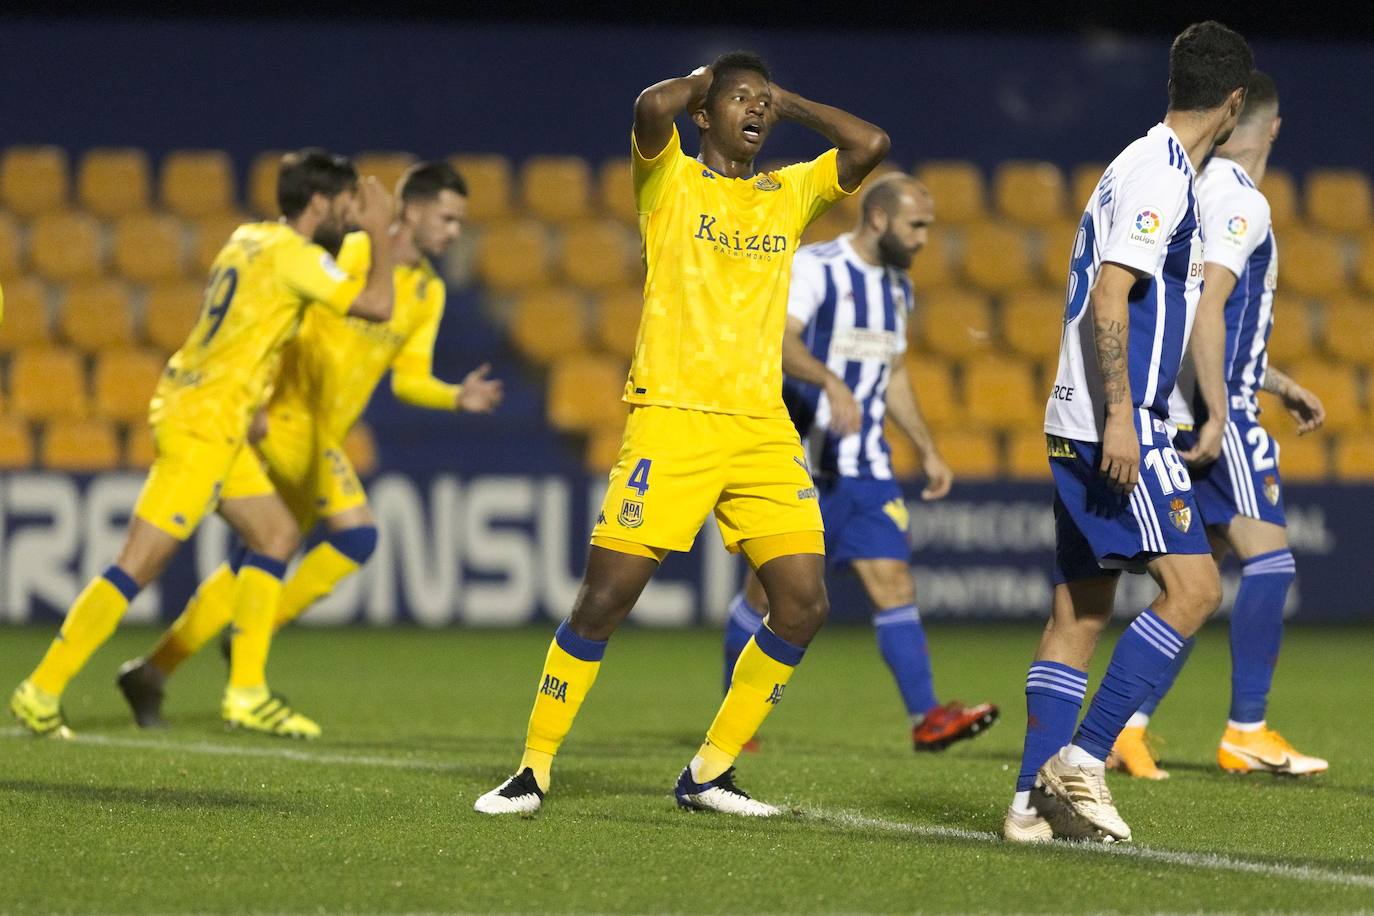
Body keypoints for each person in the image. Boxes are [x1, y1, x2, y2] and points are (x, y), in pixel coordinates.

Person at [474, 51, 888, 817]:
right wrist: (707, 81)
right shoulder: (669, 182)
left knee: (803, 604)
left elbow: (869, 146)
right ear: (706, 113)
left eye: (763, 104)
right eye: (741, 101)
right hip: (672, 419)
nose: (756, 112)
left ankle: (709, 773)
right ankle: (532, 769)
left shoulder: (786, 193)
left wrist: (783, 96)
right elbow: (647, 109)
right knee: (604, 601)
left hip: (762, 428)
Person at [10, 149, 395, 738]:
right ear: (320, 201)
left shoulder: (247, 240)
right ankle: (40, 689)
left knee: (275, 534)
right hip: (203, 425)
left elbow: (245, 325)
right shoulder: (294, 257)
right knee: (137, 564)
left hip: (217, 416)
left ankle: (245, 692)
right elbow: (376, 305)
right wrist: (379, 233)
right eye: (346, 202)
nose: (351, 212)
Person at [113, 161, 503, 735]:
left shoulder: (428, 291)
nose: (453, 232)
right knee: (357, 534)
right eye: (446, 218)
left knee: (254, 560)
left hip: (323, 434)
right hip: (283, 421)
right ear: (411, 210)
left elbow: (407, 377)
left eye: (459, 222)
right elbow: (279, 319)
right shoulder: (348, 256)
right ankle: (252, 654)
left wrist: (453, 396)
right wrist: (260, 399)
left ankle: (154, 671)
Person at [1001, 22, 1252, 844]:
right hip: (1118, 420)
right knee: (1196, 589)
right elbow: (1111, 295)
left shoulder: (1132, 160)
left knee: (1079, 608)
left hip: (1077, 414)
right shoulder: (1163, 177)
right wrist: (1120, 413)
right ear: (1236, 102)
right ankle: (1083, 762)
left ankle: (1028, 807)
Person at [721, 174, 997, 752]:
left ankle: (927, 719)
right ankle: (732, 716)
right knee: (767, 597)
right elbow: (779, 341)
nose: (924, 238)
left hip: (868, 466)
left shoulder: (899, 287)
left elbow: (892, 371)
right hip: (795, 460)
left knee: (893, 582)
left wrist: (925, 447)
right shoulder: (814, 267)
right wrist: (829, 383)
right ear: (877, 219)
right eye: (915, 225)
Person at [1107, 71, 1328, 780]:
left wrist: (1280, 381)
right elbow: (1209, 313)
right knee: (1271, 561)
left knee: (1194, 584)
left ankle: (1126, 729)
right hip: (1216, 410)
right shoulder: (1239, 200)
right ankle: (1246, 730)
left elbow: (1211, 317)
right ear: (1274, 126)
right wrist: (1223, 407)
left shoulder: (1197, 191)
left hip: (1189, 404)